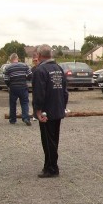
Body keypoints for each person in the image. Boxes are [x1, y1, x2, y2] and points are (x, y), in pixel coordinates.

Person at [32, 45, 68, 178]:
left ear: (40, 56)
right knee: (54, 140)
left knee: (48, 141)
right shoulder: (58, 68)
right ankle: (50, 165)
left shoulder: (40, 70)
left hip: (47, 111)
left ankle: (51, 168)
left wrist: (38, 110)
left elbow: (39, 93)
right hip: (57, 109)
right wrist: (63, 106)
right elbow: (65, 91)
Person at [5, 53, 32, 125]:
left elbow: (6, 80)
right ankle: (26, 118)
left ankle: (13, 119)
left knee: (13, 103)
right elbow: (30, 75)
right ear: (17, 58)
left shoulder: (8, 68)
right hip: (23, 86)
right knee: (25, 103)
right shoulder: (24, 65)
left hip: (13, 88)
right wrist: (25, 79)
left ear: (11, 59)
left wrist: (9, 85)